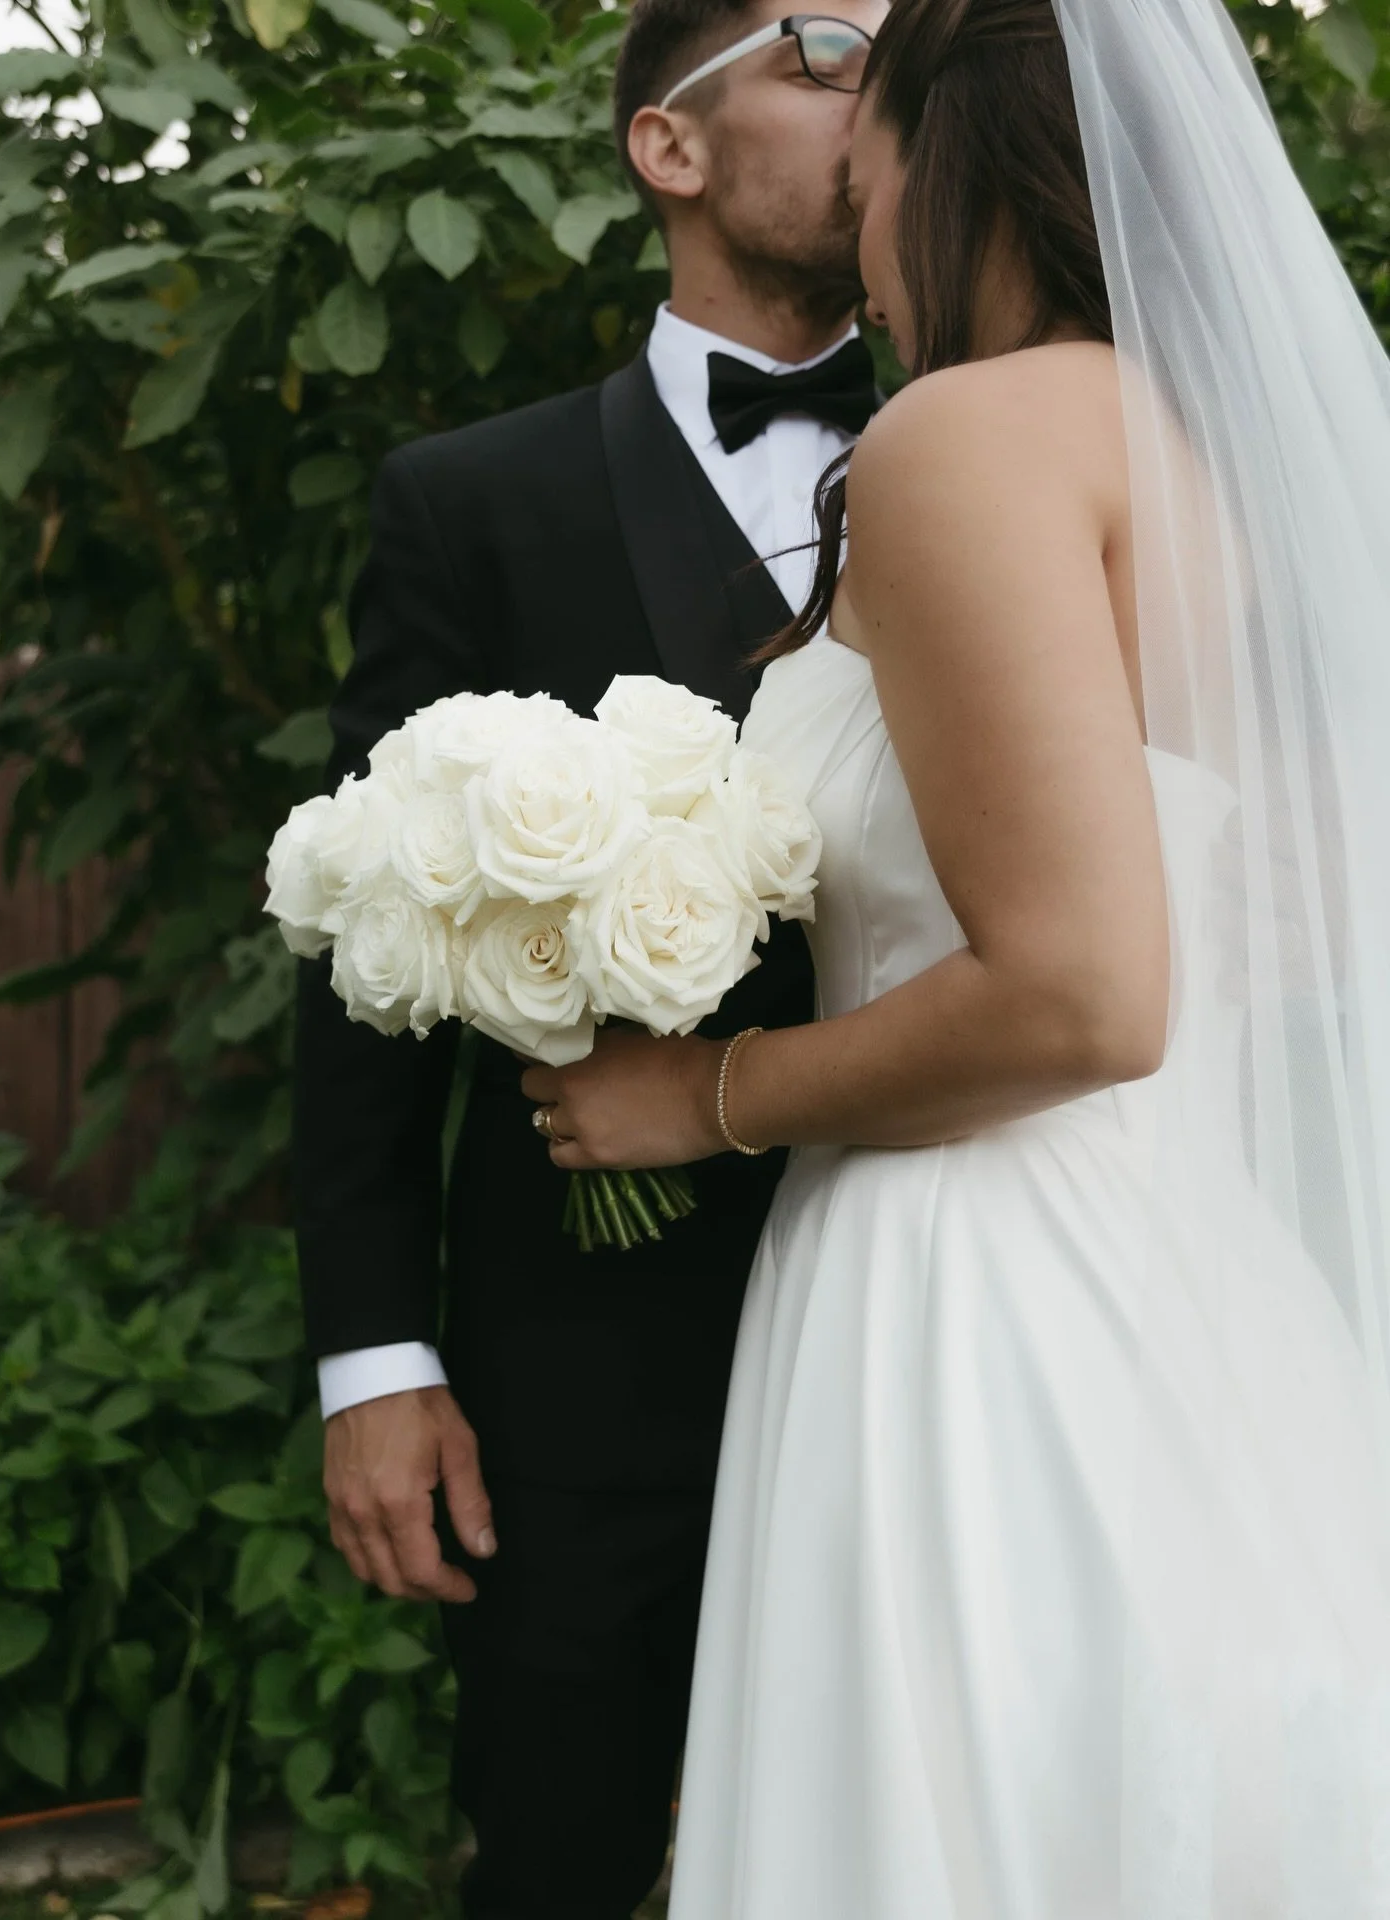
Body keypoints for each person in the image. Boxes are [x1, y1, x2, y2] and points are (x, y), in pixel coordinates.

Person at [518, 0, 1390, 1908]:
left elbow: (1083, 993)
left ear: (952, 160)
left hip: (985, 1300)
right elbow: (1271, 909)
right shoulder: (1221, 461)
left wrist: (707, 1094)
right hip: (1204, 1281)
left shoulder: (971, 439)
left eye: (877, 157)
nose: (865, 211)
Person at [291, 0, 885, 1912]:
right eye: (826, 47)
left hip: (926, 1310)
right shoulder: (468, 502)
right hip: (587, 1365)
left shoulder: (1025, 456)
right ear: (671, 147)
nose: (891, 84)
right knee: (555, 1859)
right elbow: (362, 963)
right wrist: (376, 1360)